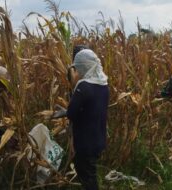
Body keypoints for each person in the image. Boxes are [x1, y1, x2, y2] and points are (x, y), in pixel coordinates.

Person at [66, 48, 109, 190]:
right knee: (90, 171)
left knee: (86, 175)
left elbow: (71, 112)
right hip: (98, 138)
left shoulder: (83, 86)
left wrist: (73, 83)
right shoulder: (104, 84)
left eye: (77, 68)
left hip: (85, 141)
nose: (77, 71)